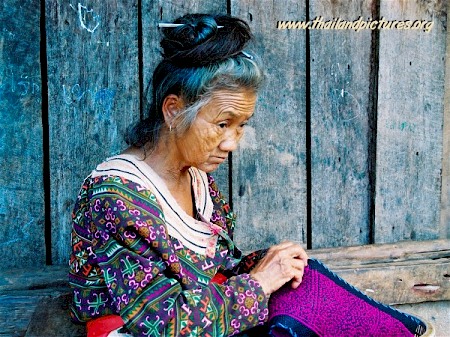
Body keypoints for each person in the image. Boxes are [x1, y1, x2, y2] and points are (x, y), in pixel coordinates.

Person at [69, 13, 430, 337]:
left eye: (241, 125)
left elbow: (216, 266)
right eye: (223, 123)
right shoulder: (116, 198)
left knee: (305, 285)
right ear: (174, 110)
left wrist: (272, 264)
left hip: (202, 319)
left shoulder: (196, 177)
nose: (232, 143)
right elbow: (159, 323)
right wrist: (259, 282)